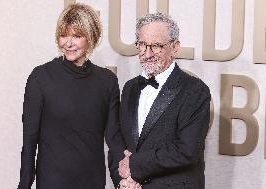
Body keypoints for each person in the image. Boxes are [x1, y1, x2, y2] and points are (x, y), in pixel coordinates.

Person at [17, 3, 125, 189]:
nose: (68, 43)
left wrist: (122, 182)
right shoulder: (41, 77)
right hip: (53, 182)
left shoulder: (107, 81)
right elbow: (29, 140)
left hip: (92, 182)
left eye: (76, 36)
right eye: (63, 35)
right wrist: (24, 185)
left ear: (91, 37)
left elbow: (114, 139)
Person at [118, 12, 211, 189]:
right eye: (142, 45)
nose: (147, 53)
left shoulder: (195, 91)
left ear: (175, 47)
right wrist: (126, 181)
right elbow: (125, 144)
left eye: (156, 46)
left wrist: (134, 166)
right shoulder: (130, 88)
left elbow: (187, 151)